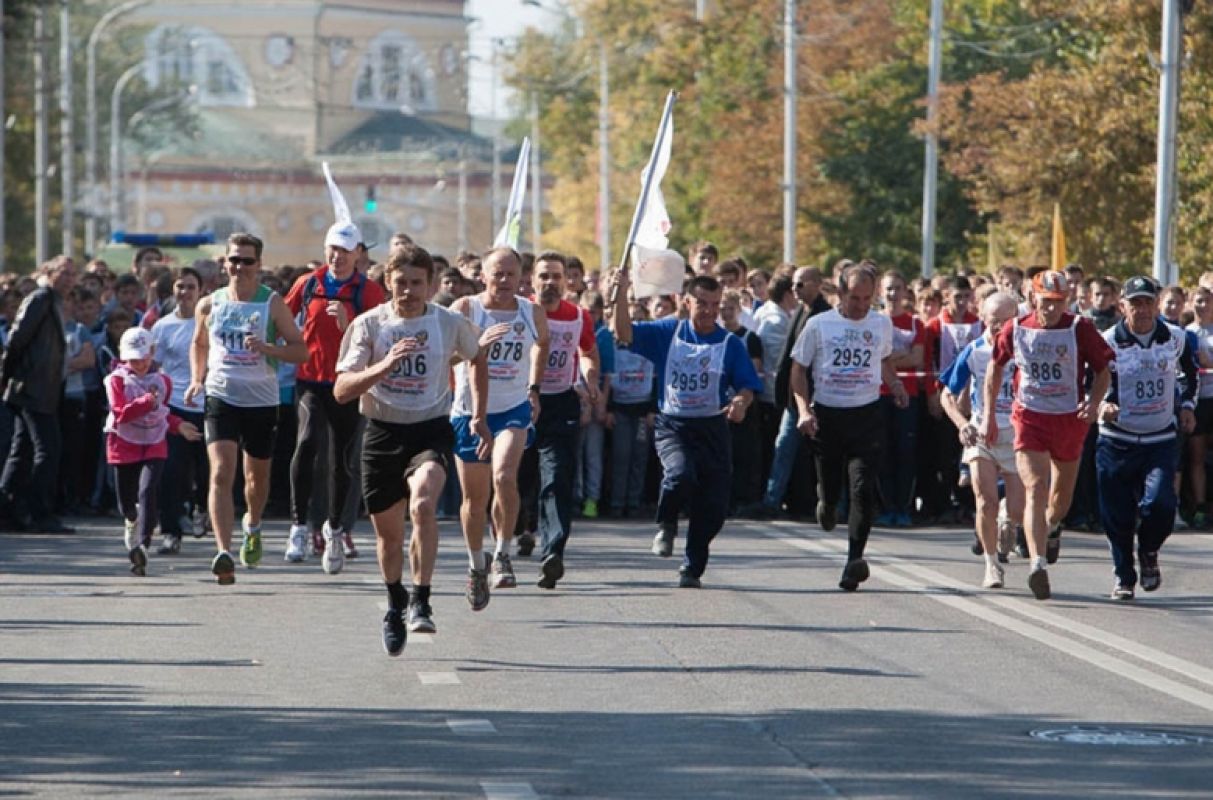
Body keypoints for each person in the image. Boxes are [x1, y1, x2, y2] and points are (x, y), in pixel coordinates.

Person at [334, 244, 484, 654]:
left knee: (422, 504)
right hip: (382, 431)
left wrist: (480, 414)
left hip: (429, 430)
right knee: (389, 537)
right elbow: (342, 390)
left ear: (431, 285)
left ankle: (421, 598)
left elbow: (478, 357)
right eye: (401, 283)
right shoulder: (369, 325)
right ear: (388, 282)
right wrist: (384, 365)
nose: (409, 291)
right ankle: (394, 602)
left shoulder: (448, 322)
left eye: (418, 283)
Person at [610, 270, 762, 588]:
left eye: (714, 305)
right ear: (686, 302)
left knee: (713, 506)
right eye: (702, 304)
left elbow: (747, 385)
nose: (708, 311)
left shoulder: (730, 343)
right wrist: (621, 294)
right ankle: (667, 523)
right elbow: (624, 332)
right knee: (679, 474)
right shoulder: (669, 332)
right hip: (674, 425)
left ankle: (691, 568)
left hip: (712, 428)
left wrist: (740, 402)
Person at [186, 233, 308, 585]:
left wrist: (269, 348)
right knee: (221, 472)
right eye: (234, 260)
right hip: (221, 394)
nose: (240, 267)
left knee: (256, 480)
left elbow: (300, 350)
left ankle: (252, 524)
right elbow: (199, 342)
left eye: (247, 261)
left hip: (261, 399)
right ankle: (223, 551)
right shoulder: (209, 304)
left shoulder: (272, 303)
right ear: (224, 263)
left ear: (259, 264)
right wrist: (197, 379)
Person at [984, 270, 1113, 600]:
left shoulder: (1079, 327)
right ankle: (1037, 564)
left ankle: (1052, 527)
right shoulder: (1016, 328)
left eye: (1058, 302)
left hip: (1069, 419)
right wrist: (988, 417)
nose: (1052, 309)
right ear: (1032, 298)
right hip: (1030, 417)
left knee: (1060, 502)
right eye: (1046, 302)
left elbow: (1103, 370)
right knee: (1035, 488)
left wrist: (1094, 402)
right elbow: (995, 368)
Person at [791, 261, 909, 591]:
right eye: (855, 298)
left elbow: (882, 359)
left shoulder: (880, 323)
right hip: (828, 416)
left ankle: (854, 559)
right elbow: (798, 369)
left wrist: (895, 385)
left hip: (866, 415)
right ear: (841, 293)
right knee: (831, 487)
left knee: (862, 489)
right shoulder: (819, 325)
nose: (861, 306)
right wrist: (803, 409)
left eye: (867, 299)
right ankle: (826, 504)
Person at [284, 221, 386, 570]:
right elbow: (281, 318)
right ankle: (299, 526)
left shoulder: (369, 291)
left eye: (345, 250)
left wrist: (349, 322)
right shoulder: (308, 283)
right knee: (307, 442)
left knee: (342, 459)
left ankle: (335, 530)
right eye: (333, 249)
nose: (337, 256)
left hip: (348, 382)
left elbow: (380, 339)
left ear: (358, 254)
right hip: (310, 380)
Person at [450, 247, 548, 606]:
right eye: (498, 274)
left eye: (511, 274)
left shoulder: (531, 311)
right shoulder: (465, 309)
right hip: (469, 412)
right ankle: (477, 565)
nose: (505, 281)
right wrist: (475, 348)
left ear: (522, 277)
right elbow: (444, 356)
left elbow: (542, 344)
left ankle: (503, 553)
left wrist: (534, 388)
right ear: (483, 276)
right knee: (474, 500)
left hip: (512, 408)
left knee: (505, 476)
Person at [1096, 277, 1197, 600]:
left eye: (1147, 303)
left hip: (1159, 439)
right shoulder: (1107, 342)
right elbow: (1089, 382)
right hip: (1117, 440)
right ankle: (1124, 576)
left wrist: (1187, 406)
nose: (1141, 310)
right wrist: (1103, 405)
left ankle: (1149, 550)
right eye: (1135, 303)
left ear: (1156, 305)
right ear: (1122, 306)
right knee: (1118, 515)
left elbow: (1189, 375)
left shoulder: (1176, 337)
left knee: (1161, 504)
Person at [939, 292, 1025, 589]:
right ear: (983, 319)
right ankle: (991, 565)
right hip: (981, 432)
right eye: (994, 321)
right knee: (985, 500)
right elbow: (947, 394)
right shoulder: (974, 351)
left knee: (1017, 508)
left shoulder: (1025, 349)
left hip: (1016, 434)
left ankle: (1007, 519)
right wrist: (962, 424)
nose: (1000, 327)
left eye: (1007, 321)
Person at [524, 252, 600, 588]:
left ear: (567, 281)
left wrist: (590, 378)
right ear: (532, 280)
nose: (550, 283)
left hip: (560, 403)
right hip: (520, 403)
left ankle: (552, 552)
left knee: (556, 477)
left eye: (557, 276)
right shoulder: (520, 311)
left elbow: (588, 352)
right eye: (544, 276)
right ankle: (520, 528)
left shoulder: (578, 316)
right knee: (519, 477)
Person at [105, 327, 201, 576]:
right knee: (127, 503)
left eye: (143, 358)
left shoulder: (163, 381)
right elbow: (120, 413)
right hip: (124, 443)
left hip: (154, 442)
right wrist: (145, 402)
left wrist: (178, 426)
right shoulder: (116, 380)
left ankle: (142, 547)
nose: (139, 364)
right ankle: (131, 520)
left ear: (152, 353)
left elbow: (162, 414)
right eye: (133, 359)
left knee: (148, 490)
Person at [0, 256, 77, 533]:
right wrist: (7, 376)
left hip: (41, 389)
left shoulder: (53, 301)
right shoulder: (41, 298)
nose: (69, 279)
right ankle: (38, 512)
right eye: (63, 273)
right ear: (48, 272)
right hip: (31, 388)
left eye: (72, 274)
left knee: (22, 451)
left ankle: (7, 510)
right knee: (48, 450)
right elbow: (16, 339)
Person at [760, 266, 833, 517]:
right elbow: (789, 357)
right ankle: (772, 501)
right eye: (793, 284)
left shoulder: (824, 316)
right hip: (795, 397)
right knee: (783, 448)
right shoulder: (800, 312)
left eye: (800, 284)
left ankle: (830, 503)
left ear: (816, 284)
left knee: (824, 453)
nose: (794, 289)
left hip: (817, 397)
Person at [151, 267, 208, 553]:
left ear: (201, 291)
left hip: (208, 404)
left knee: (208, 469)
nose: (185, 292)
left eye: (190, 287)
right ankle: (171, 532)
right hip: (174, 406)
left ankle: (202, 508)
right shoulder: (162, 326)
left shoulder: (210, 322)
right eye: (180, 287)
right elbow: (153, 365)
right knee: (171, 470)